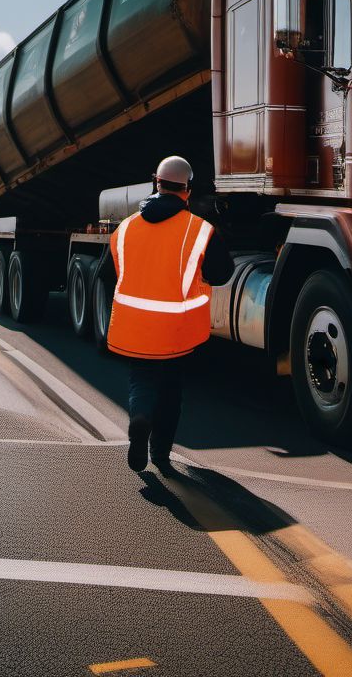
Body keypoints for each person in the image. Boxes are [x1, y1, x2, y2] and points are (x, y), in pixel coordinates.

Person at [107, 155, 233, 474]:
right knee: (171, 390)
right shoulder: (199, 230)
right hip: (177, 327)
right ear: (187, 189)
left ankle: (139, 418)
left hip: (134, 325)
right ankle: (160, 454)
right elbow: (222, 273)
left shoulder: (125, 229)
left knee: (142, 381)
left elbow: (111, 273)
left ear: (156, 182)